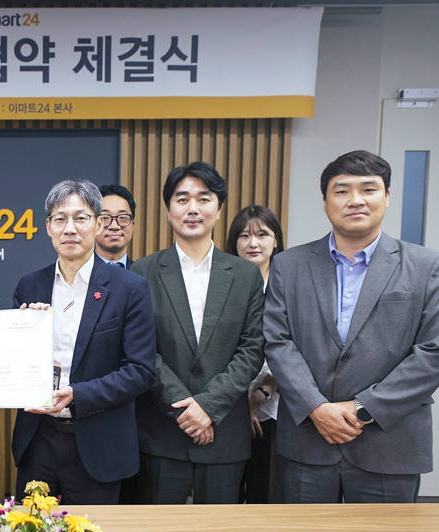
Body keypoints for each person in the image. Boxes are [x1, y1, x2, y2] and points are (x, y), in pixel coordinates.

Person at [264, 150, 439, 503]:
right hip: (308, 441)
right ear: (325, 202)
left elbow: (432, 352)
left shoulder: (425, 265)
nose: (355, 200)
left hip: (389, 444)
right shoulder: (289, 265)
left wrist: (362, 408)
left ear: (387, 197)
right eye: (342, 191)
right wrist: (316, 407)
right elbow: (277, 342)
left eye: (368, 189)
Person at [11, 179, 156, 504]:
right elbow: (14, 366)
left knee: (91, 531)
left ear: (98, 224)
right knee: (31, 530)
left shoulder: (129, 288)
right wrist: (19, 333)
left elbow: (141, 371)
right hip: (38, 440)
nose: (70, 228)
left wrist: (78, 394)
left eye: (81, 218)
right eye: (60, 219)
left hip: (98, 444)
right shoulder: (29, 286)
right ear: (48, 227)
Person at [131, 161, 265, 504]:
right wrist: (185, 410)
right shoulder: (142, 273)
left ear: (218, 210)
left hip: (225, 435)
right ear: (168, 210)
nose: (193, 208)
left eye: (204, 199)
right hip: (161, 436)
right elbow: (141, 350)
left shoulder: (245, 275)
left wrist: (208, 406)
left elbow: (252, 349)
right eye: (182, 199)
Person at [226, 205, 285, 504]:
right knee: (228, 496)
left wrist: (262, 394)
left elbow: (294, 347)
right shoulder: (223, 285)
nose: (253, 243)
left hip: (275, 407)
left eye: (262, 235)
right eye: (244, 235)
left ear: (276, 240)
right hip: (227, 407)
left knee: (267, 494)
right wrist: (241, 405)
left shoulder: (288, 286)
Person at [95, 184, 136, 269]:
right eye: (105, 217)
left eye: (122, 217)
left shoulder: (142, 273)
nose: (114, 226)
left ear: (132, 225)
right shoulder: (78, 273)